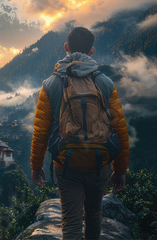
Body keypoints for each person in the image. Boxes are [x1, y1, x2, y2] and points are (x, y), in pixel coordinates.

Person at [30, 27, 129, 240]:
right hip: (99, 162)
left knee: (71, 221)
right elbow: (119, 129)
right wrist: (120, 170)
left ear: (66, 48)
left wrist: (36, 166)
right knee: (94, 215)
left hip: (66, 164)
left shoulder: (51, 84)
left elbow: (41, 130)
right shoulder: (105, 83)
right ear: (91, 51)